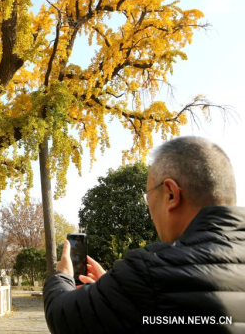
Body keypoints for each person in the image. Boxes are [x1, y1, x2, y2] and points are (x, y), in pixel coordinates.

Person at [44, 136, 245, 333]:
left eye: (148, 196)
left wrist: (62, 276)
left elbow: (62, 317)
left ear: (171, 194)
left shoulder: (150, 272)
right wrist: (114, 291)